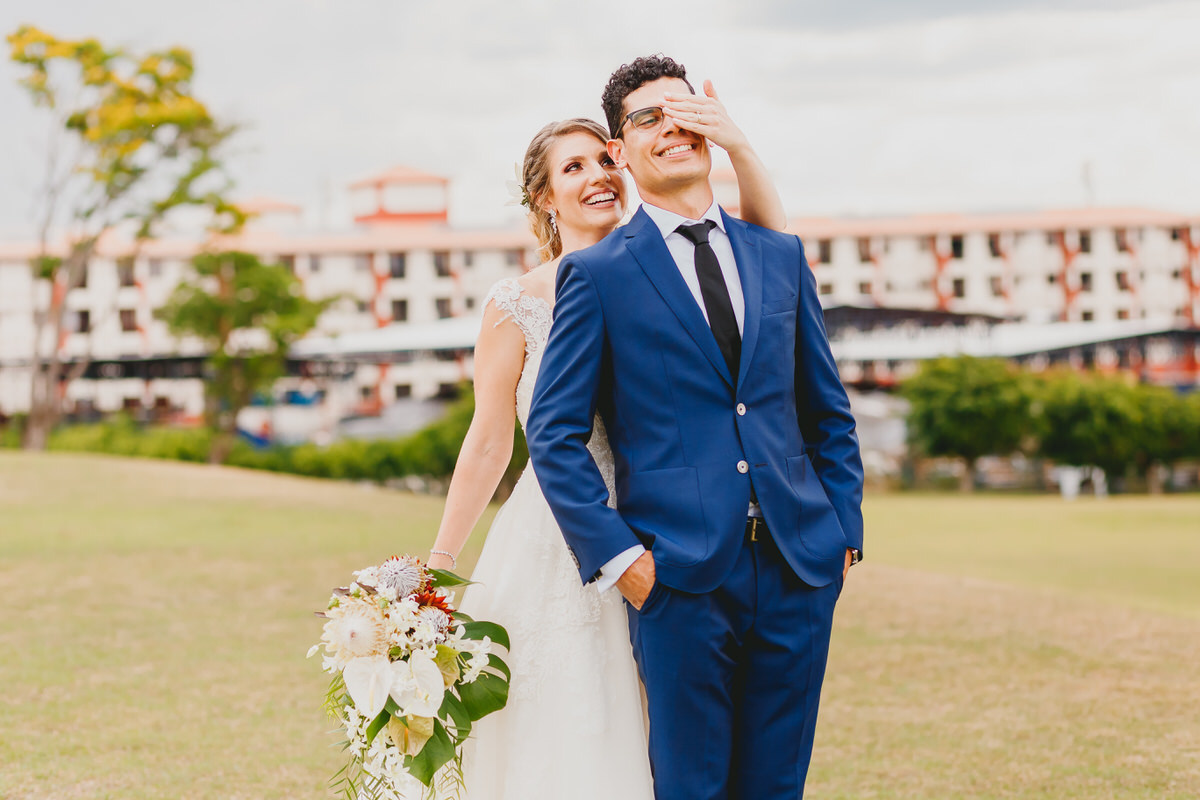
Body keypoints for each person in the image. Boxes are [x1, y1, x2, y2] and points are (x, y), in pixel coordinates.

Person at [426, 86, 788, 798]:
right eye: (572, 168)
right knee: (562, 725)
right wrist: (438, 565)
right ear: (543, 198)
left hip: (671, 525)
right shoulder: (516, 304)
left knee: (673, 736)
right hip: (554, 538)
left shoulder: (669, 271)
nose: (597, 176)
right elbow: (491, 440)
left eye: (603, 160)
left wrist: (740, 147)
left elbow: (771, 258)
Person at [525, 54, 864, 800]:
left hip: (800, 565)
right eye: (647, 118)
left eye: (685, 111)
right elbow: (553, 433)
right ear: (619, 151)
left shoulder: (777, 254)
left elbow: (827, 409)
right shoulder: (601, 274)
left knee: (778, 786)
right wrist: (623, 561)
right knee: (692, 787)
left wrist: (843, 532)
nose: (671, 128)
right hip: (676, 578)